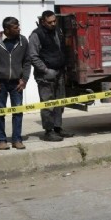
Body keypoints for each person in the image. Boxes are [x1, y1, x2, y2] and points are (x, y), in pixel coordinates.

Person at [0, 17, 31, 150]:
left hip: (17, 83)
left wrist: (25, 79)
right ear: (7, 29)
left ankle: (17, 139)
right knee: (0, 112)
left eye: (18, 26)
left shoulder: (23, 41)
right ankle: (0, 140)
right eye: (15, 27)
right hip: (0, 84)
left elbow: (27, 61)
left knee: (18, 112)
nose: (19, 29)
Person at [28, 10, 74, 142]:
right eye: (50, 22)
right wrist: (46, 70)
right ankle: (48, 131)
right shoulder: (36, 35)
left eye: (55, 21)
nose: (53, 24)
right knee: (48, 104)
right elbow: (33, 56)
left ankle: (58, 128)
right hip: (45, 76)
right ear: (43, 21)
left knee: (60, 102)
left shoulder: (58, 31)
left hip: (59, 73)